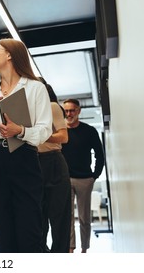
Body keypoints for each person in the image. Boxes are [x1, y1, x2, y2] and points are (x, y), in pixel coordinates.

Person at [0, 38, 52, 253]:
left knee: (30, 228)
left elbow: (45, 130)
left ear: (9, 55)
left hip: (24, 158)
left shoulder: (35, 88)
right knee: (1, 227)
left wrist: (21, 131)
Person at [61, 98, 105, 253]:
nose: (69, 114)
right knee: (68, 218)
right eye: (66, 111)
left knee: (84, 218)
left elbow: (100, 155)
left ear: (79, 111)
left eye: (72, 110)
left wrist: (95, 176)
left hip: (85, 179)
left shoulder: (89, 131)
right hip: (65, 180)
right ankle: (70, 248)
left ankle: (84, 249)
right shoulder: (60, 132)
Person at [38, 82, 71, 253]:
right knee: (37, 220)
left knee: (60, 219)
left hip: (53, 163)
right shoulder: (26, 110)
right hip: (33, 164)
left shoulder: (52, 107)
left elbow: (63, 137)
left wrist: (41, 135)